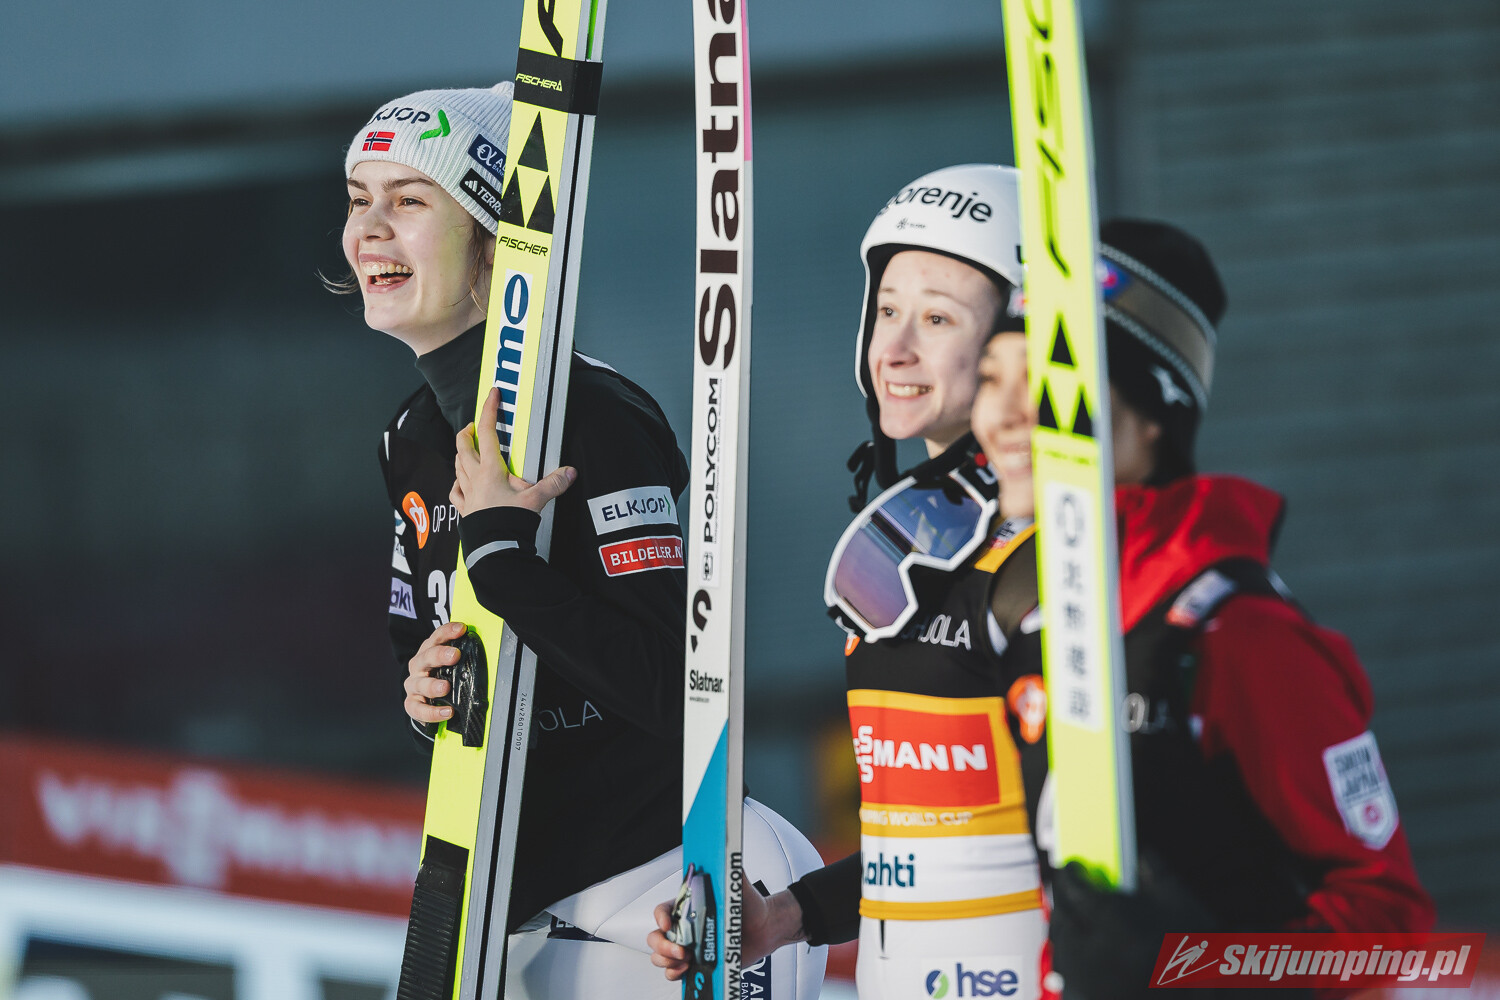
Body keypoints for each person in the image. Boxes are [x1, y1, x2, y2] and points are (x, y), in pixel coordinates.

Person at [338, 82, 826, 999]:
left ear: (496, 241)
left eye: (408, 201)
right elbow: (425, 644)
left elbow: (680, 691)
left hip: (672, 886)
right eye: (360, 200)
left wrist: (505, 562)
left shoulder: (592, 415)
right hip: (516, 909)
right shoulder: (408, 439)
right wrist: (423, 695)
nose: (369, 230)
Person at [968, 218, 1436, 998]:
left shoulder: (1238, 633)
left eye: (1050, 375)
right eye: (992, 376)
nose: (1006, 412)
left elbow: (1389, 921)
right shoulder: (1032, 612)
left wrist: (1194, 971)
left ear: (1155, 413)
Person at [649, 164, 1051, 1000]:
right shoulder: (906, 543)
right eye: (887, 310)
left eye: (936, 318)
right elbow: (930, 848)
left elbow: (1101, 849)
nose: (894, 348)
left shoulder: (1049, 557)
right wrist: (785, 918)